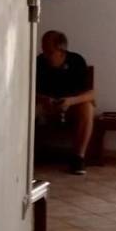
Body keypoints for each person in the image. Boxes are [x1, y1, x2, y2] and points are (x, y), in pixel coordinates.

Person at [36, 30, 95, 174]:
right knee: (26, 109)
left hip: (71, 106)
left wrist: (70, 101)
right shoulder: (39, 62)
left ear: (61, 50)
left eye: (50, 51)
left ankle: (78, 158)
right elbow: (28, 90)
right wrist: (43, 99)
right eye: (44, 49)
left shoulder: (76, 61)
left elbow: (91, 94)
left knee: (87, 108)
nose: (45, 54)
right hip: (45, 105)